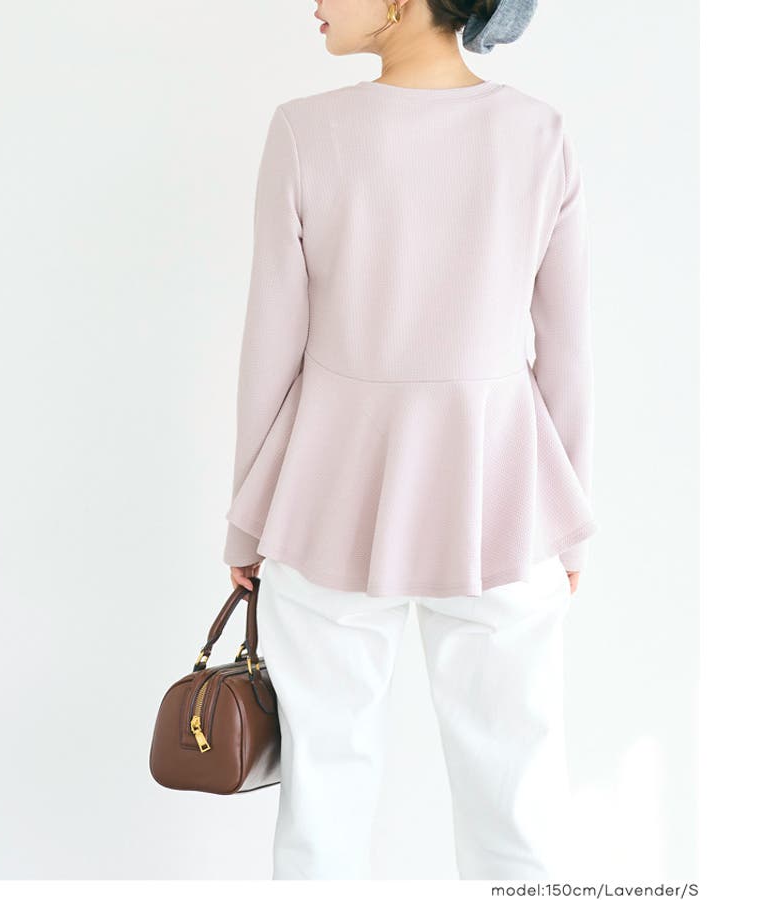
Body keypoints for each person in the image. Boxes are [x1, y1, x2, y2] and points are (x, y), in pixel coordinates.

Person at [222, 0, 598, 881]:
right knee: (517, 790)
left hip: (328, 495)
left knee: (323, 793)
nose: (316, 4)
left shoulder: (305, 131)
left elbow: (271, 343)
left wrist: (247, 520)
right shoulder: (538, 133)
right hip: (502, 497)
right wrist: (571, 524)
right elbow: (568, 348)